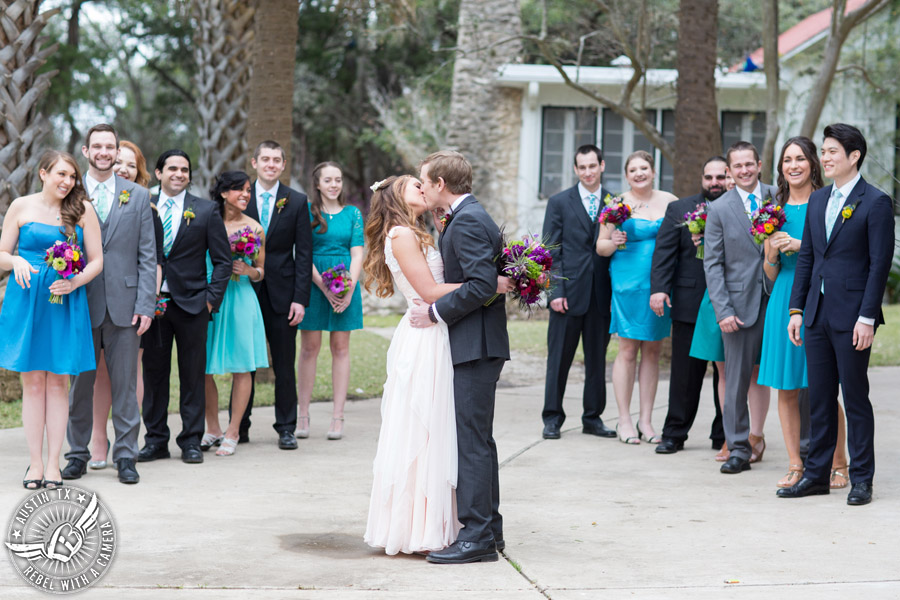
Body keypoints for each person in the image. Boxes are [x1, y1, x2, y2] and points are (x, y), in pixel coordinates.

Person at [362, 175, 511, 556]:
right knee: (425, 430)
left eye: (425, 183)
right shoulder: (401, 234)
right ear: (398, 195)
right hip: (426, 334)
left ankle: (459, 526)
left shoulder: (423, 229)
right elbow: (428, 291)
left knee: (450, 431)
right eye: (416, 185)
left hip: (441, 330)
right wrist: (492, 284)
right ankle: (420, 527)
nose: (423, 189)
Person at [780, 123, 894, 505]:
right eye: (824, 152)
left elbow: (879, 266)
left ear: (854, 156)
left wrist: (867, 318)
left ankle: (862, 479)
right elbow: (808, 258)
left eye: (831, 152)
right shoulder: (818, 200)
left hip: (852, 316)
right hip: (815, 313)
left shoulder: (875, 202)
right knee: (820, 397)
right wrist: (797, 310)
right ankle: (816, 475)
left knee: (855, 396)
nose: (824, 158)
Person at [409, 150, 510, 564]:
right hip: (478, 343)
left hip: (475, 344)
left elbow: (482, 283)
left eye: (424, 180)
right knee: (478, 440)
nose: (421, 186)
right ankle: (490, 530)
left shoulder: (467, 220)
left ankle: (477, 537)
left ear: (441, 185)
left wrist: (434, 312)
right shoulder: (466, 215)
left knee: (471, 442)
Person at [0, 150, 103, 489]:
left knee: (58, 382)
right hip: (27, 302)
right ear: (43, 173)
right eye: (61, 174)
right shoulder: (21, 206)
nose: (68, 182)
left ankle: (55, 464)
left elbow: (97, 261)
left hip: (64, 302)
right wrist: (14, 262)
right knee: (32, 382)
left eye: (72, 176)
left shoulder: (82, 210)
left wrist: (75, 281)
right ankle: (34, 464)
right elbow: (1, 253)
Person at [63, 126, 156, 486]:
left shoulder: (138, 195)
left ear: (117, 152)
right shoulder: (70, 192)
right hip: (79, 303)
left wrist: (146, 304)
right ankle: (76, 455)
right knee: (79, 386)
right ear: (86, 150)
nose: (104, 152)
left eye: (110, 147)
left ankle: (126, 455)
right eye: (97, 146)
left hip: (126, 304)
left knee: (125, 387)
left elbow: (148, 256)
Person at [757, 136, 850, 488]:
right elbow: (771, 273)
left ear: (812, 163)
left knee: (824, 387)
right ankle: (796, 464)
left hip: (820, 298)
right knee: (787, 387)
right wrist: (769, 252)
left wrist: (802, 246)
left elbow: (839, 255)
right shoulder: (774, 210)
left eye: (799, 158)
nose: (793, 165)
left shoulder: (827, 203)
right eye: (786, 160)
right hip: (784, 298)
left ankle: (839, 462)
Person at [139, 150, 231, 465]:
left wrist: (210, 300)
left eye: (185, 170)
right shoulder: (143, 205)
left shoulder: (205, 211)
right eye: (173, 169)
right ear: (158, 172)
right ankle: (155, 441)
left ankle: (191, 440)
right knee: (154, 375)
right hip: (152, 304)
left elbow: (223, 262)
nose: (179, 174)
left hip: (193, 305)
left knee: (193, 376)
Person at [703, 141, 775, 474]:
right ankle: (738, 448)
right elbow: (713, 264)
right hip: (738, 304)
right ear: (730, 172)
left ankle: (804, 447)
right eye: (738, 166)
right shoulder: (719, 209)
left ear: (759, 165)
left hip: (780, 298)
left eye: (750, 164)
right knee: (735, 380)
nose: (745, 170)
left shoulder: (779, 196)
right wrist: (723, 309)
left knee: (791, 375)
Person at [236, 140, 312, 450]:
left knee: (283, 362)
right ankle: (239, 426)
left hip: (283, 293)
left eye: (276, 160)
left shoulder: (296, 200)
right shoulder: (240, 198)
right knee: (245, 362)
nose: (270, 164)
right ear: (254, 163)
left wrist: (300, 298)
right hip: (245, 291)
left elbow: (304, 253)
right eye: (264, 159)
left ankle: (286, 428)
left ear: (282, 165)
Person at [595, 150, 674, 445]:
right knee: (628, 349)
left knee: (653, 350)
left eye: (644, 168)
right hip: (628, 282)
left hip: (660, 282)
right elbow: (600, 246)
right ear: (627, 175)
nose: (639, 173)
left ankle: (647, 420)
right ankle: (624, 420)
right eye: (633, 170)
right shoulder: (616, 205)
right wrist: (612, 241)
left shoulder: (670, 201)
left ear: (653, 171)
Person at [650, 156, 726, 454]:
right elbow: (664, 253)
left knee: (728, 374)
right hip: (689, 302)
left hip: (729, 303)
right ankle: (674, 433)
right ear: (702, 179)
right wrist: (659, 289)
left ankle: (724, 435)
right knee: (684, 373)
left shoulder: (741, 209)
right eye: (709, 177)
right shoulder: (680, 210)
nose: (714, 183)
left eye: (720, 177)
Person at [540, 144, 616, 441]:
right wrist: (555, 291)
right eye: (582, 167)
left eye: (592, 166)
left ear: (602, 165)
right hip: (567, 294)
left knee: (597, 359)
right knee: (558, 359)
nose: (587, 172)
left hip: (602, 294)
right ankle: (552, 418)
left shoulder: (615, 202)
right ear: (575, 170)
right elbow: (550, 250)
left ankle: (593, 417)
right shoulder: (559, 202)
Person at [202, 171, 269, 456]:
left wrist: (249, 270)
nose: (246, 195)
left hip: (241, 299)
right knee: (203, 367)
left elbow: (261, 272)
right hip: (209, 298)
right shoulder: (206, 219)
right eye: (239, 190)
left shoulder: (254, 228)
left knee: (243, 367)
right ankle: (212, 428)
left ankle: (233, 432)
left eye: (248, 191)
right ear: (223, 192)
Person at [296, 162, 363, 440]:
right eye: (328, 180)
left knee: (341, 348)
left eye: (338, 179)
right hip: (314, 284)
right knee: (309, 348)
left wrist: (348, 289)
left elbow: (358, 253)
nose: (334, 184)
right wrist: (325, 288)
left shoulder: (353, 214)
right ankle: (302, 415)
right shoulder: (308, 212)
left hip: (347, 281)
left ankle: (338, 417)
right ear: (318, 184)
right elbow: (303, 254)